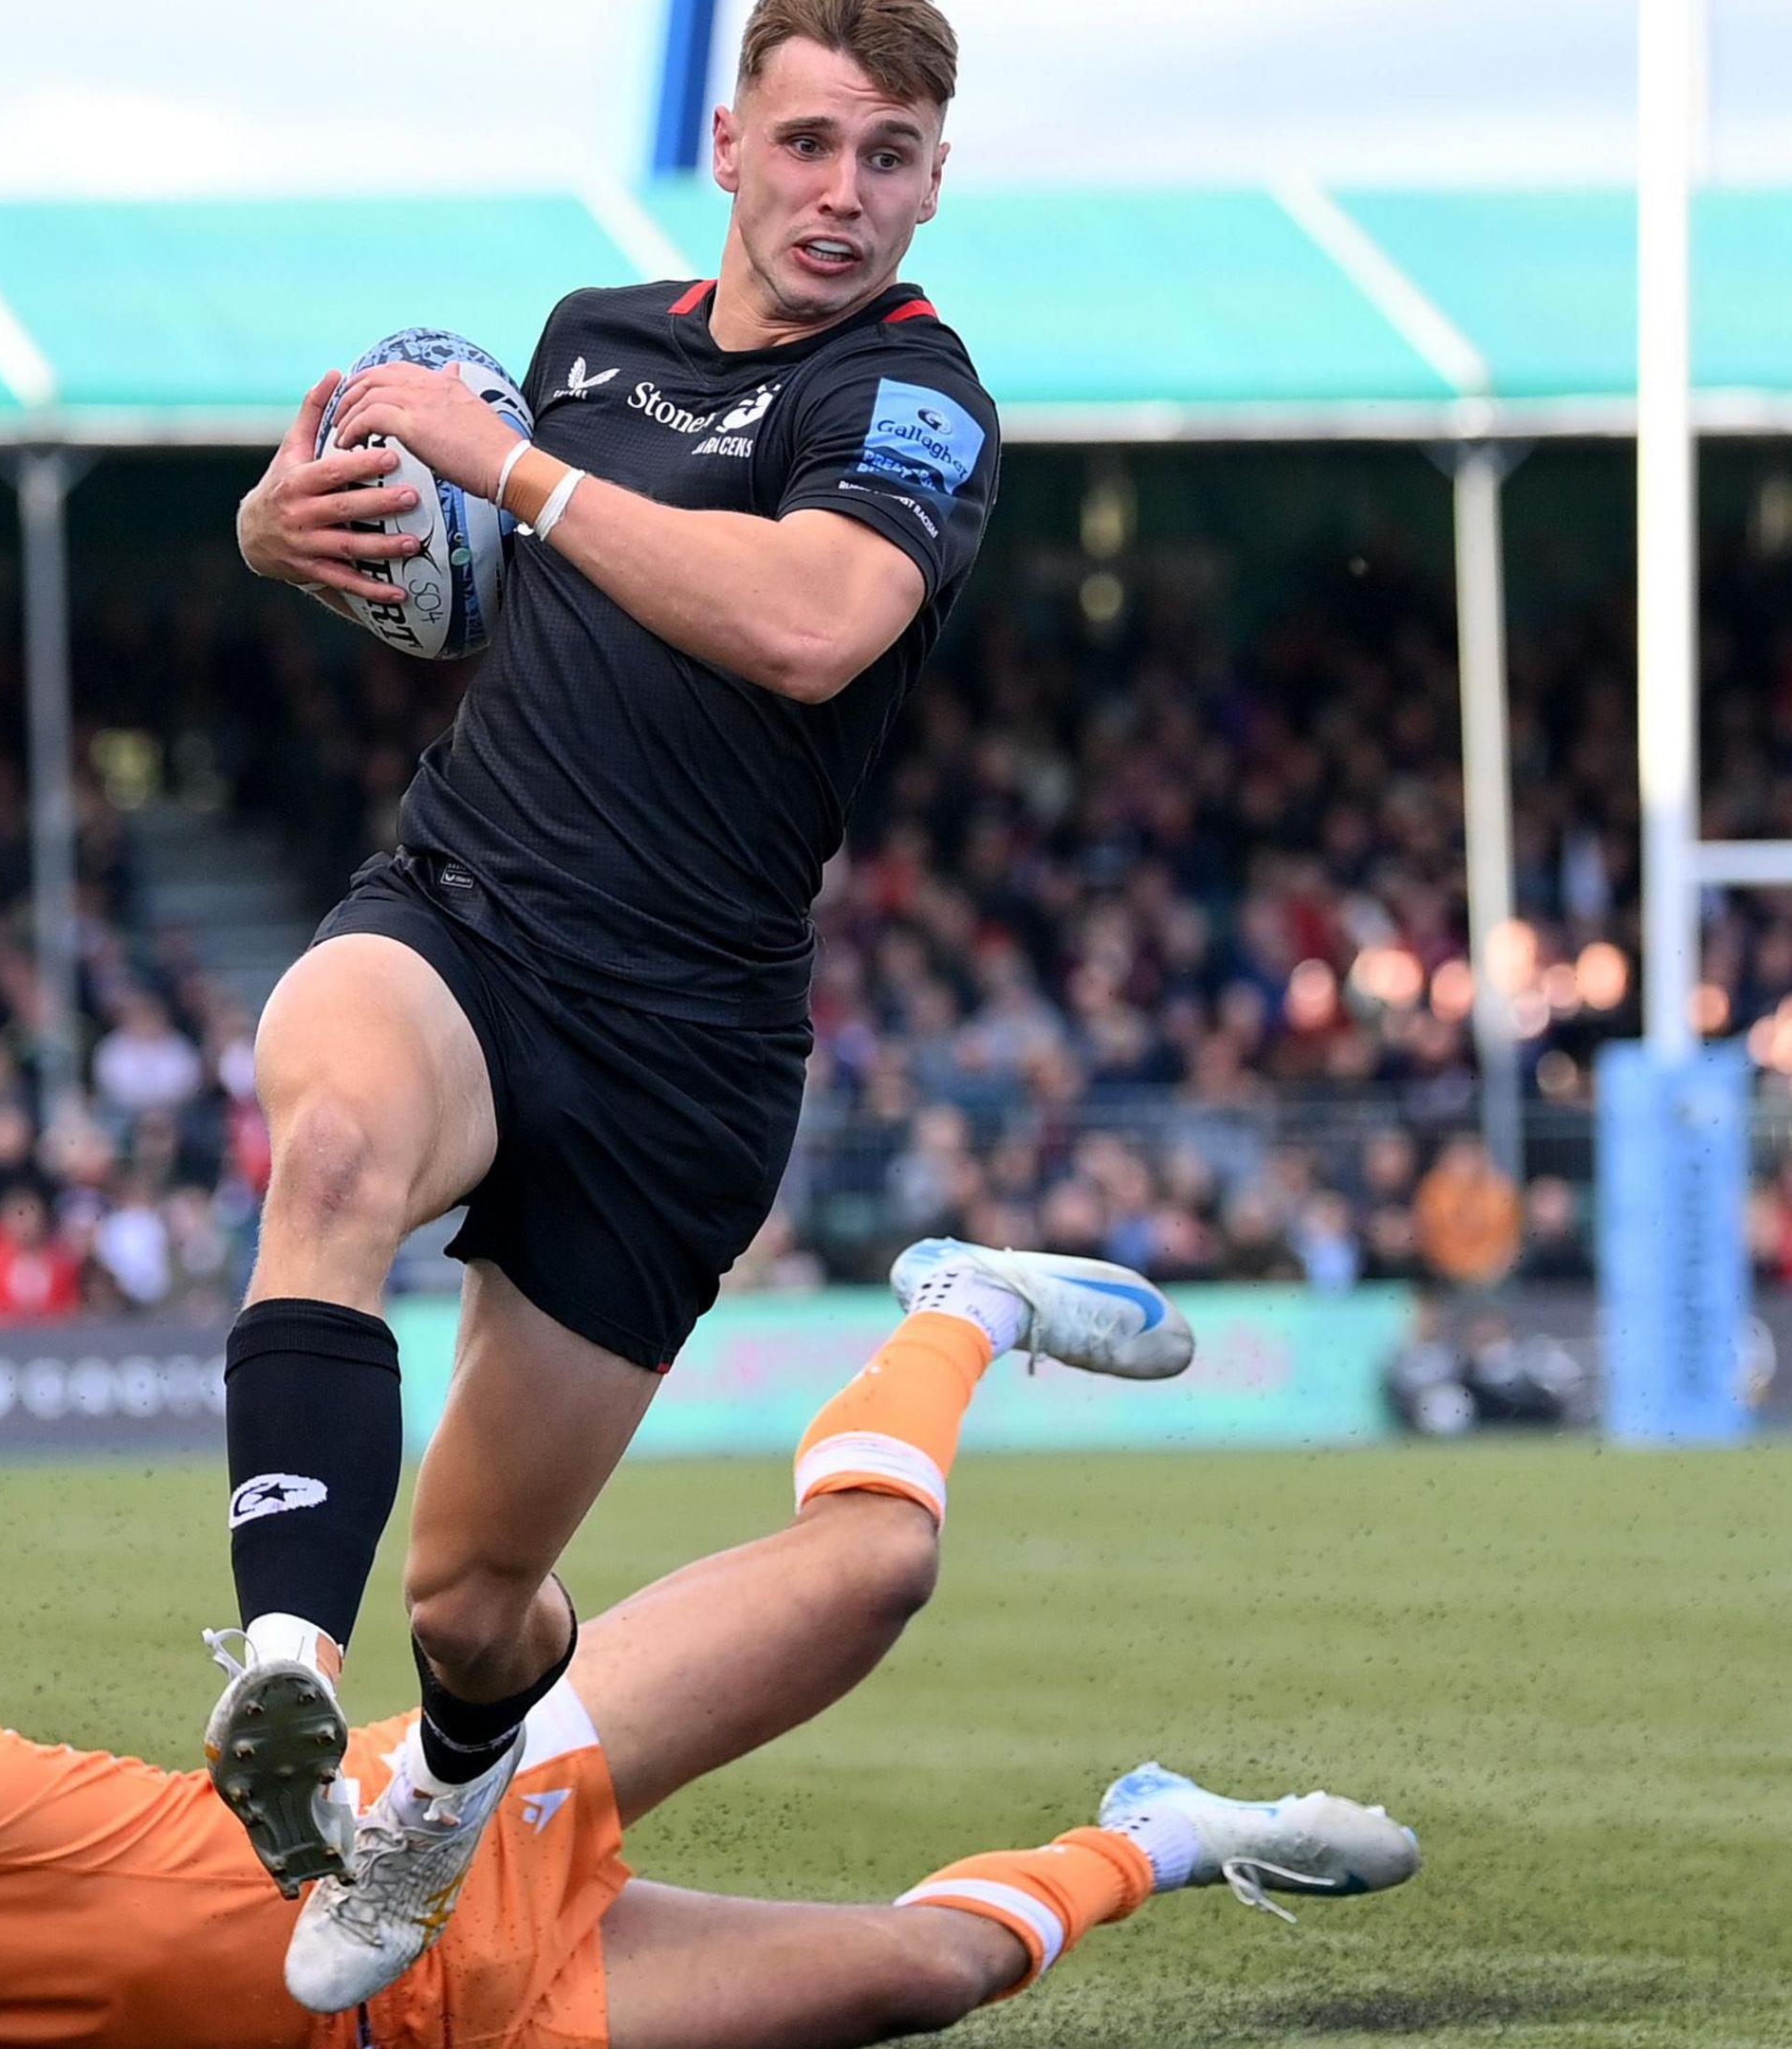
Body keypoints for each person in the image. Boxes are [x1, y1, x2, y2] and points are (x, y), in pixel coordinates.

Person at [212, 0, 1190, 2006]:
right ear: (730, 145)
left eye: (893, 155)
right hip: (468, 916)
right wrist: (279, 524)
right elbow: (461, 572)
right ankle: (283, 1673)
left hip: (685, 1047)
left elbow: (814, 626)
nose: (847, 194)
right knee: (332, 1137)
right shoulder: (587, 340)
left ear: (934, 177)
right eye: (813, 143)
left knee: (479, 1601)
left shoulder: (918, 395)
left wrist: (522, 473)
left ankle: (449, 1785)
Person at [0, 1264, 1413, 2049]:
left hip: (422, 1828)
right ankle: (1163, 1830)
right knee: (924, 1980)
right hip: (451, 2014)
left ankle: (952, 1309)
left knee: (866, 1582)